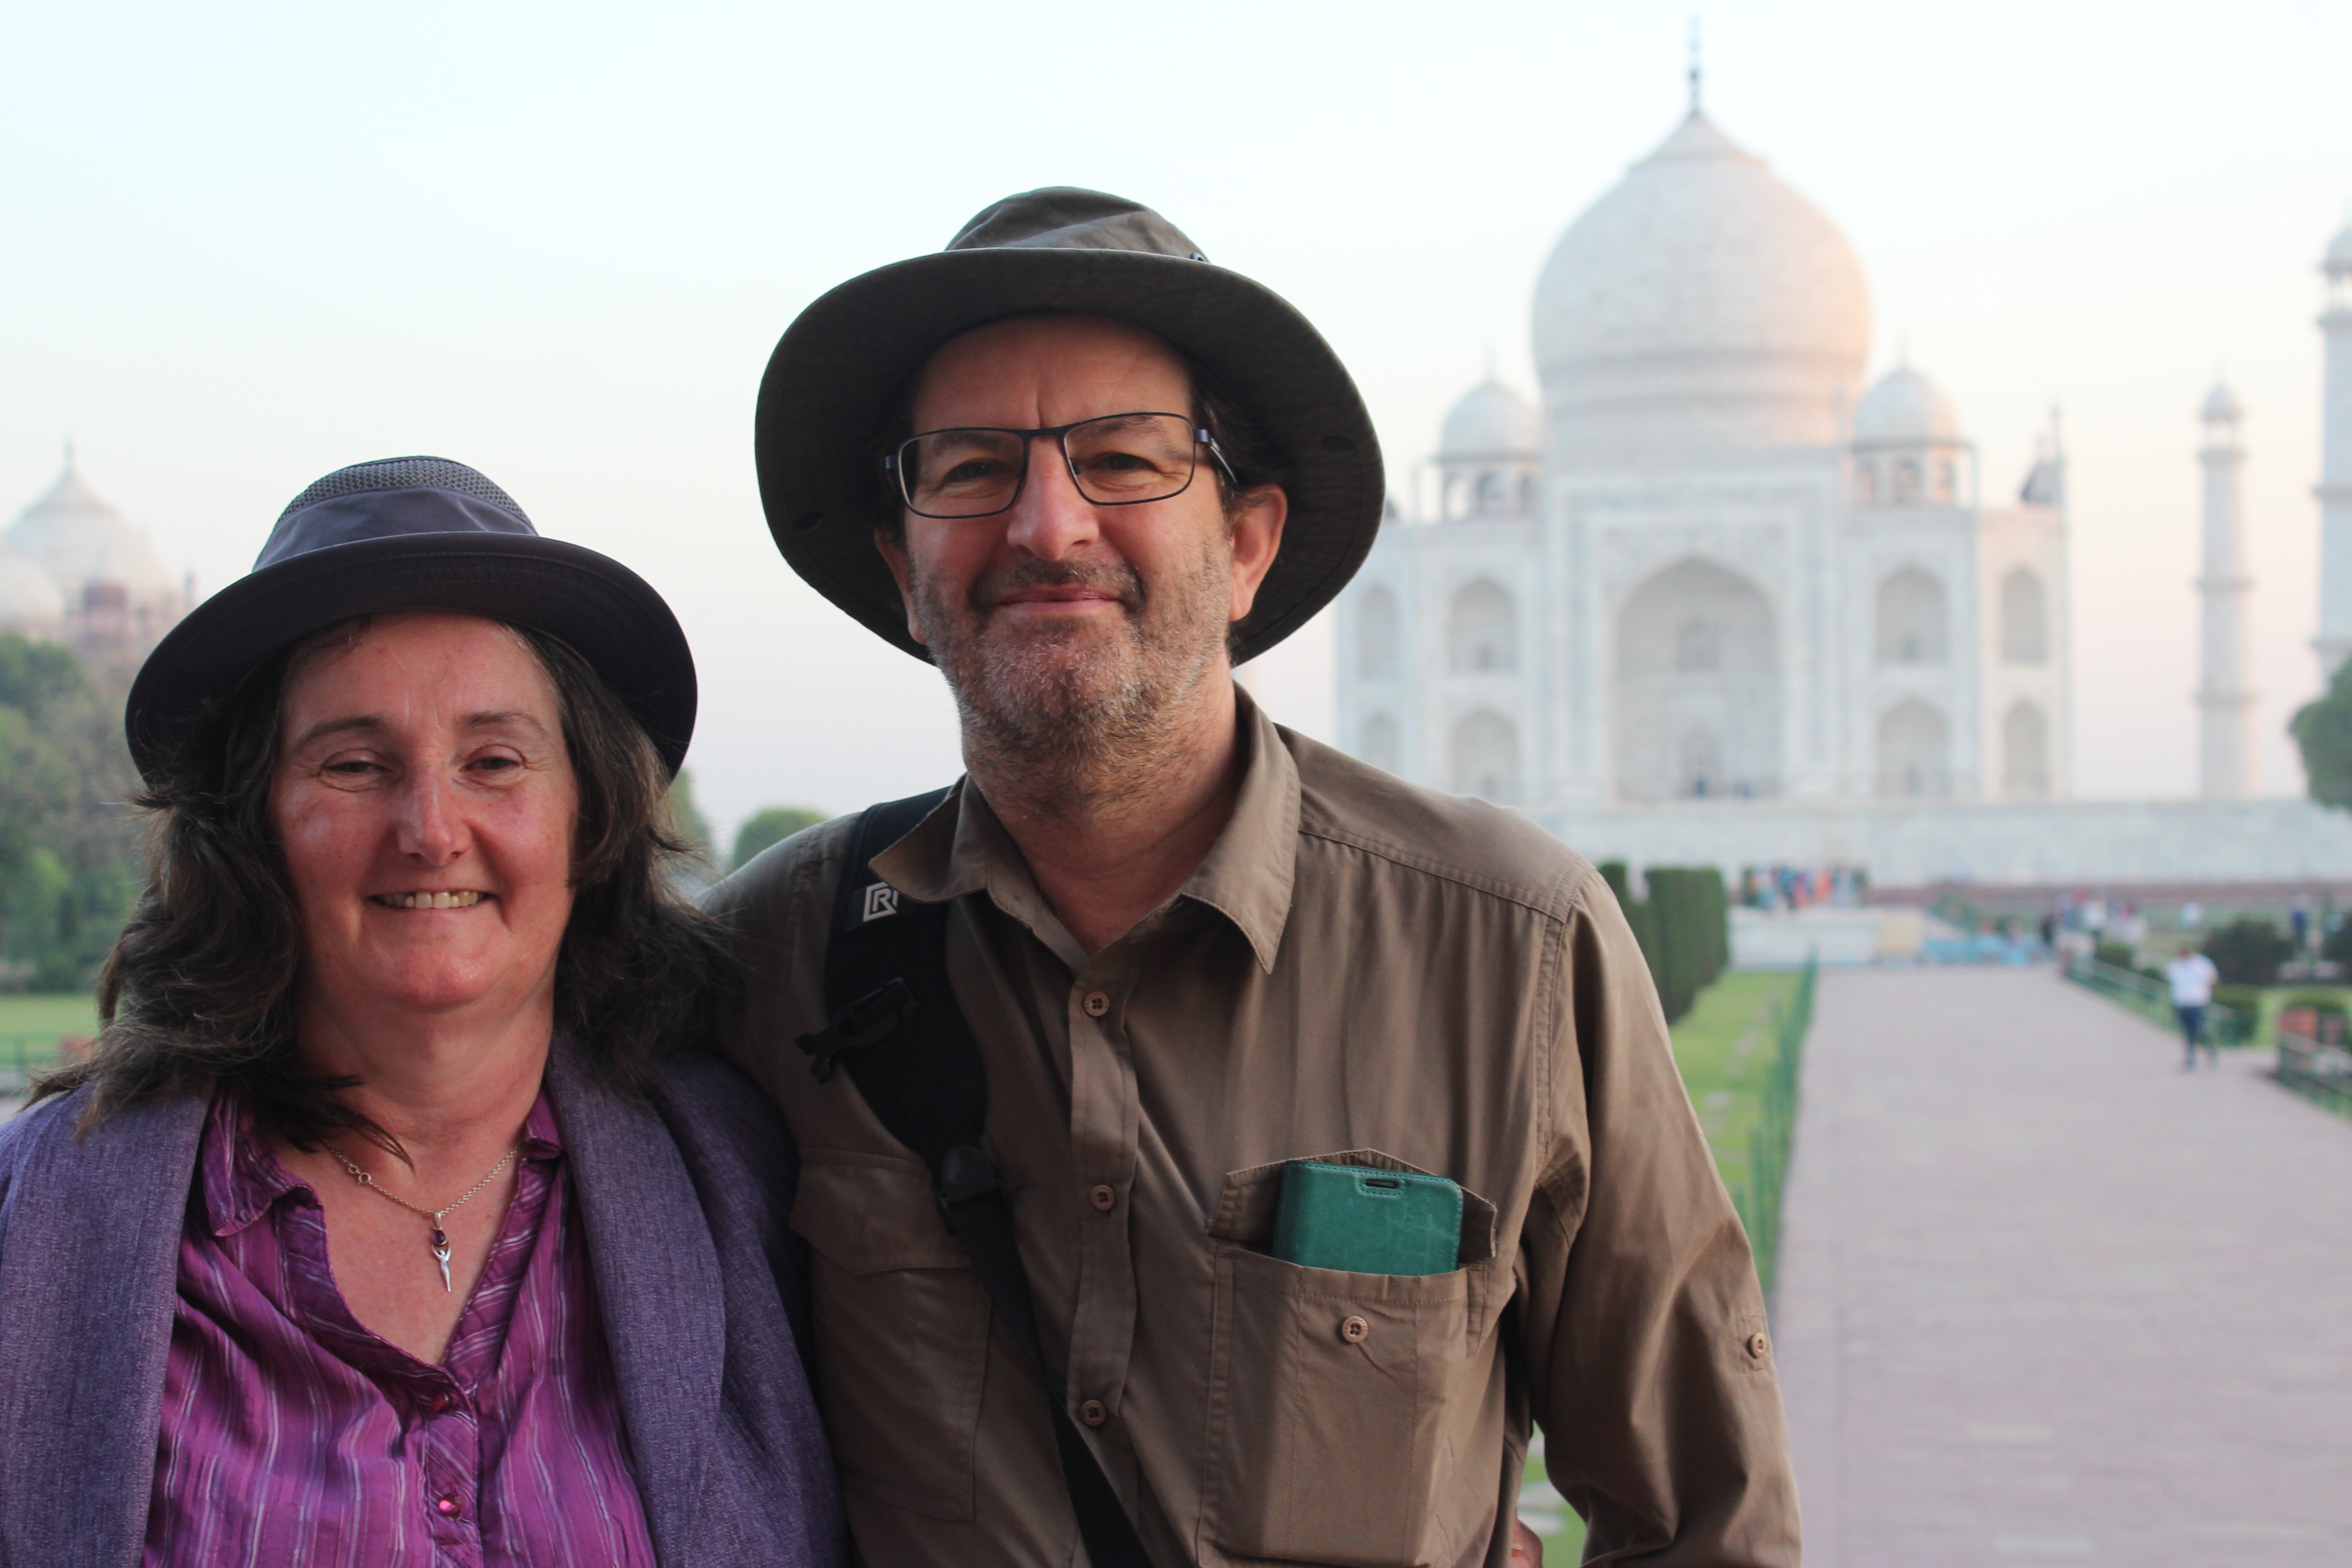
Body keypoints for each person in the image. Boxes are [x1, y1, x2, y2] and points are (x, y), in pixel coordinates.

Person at [712, 190, 1796, 1567]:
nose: (1048, 525)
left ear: (1246, 543)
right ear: (901, 563)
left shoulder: (1507, 950)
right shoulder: (775, 960)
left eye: (1123, 459)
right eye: (972, 468)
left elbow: (1709, 1519)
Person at [0, 459, 843, 1567]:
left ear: (587, 818)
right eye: (354, 763)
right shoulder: (49, 1224)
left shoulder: (740, 1182)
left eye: (494, 760)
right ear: (251, 829)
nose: (431, 827)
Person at [2167, 942, 2221, 1069]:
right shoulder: (2175, 965)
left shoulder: (2202, 964)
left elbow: (2212, 980)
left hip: (2197, 1002)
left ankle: (2209, 1051)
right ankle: (2191, 1056)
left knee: (2198, 1029)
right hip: (2181, 1003)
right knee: (2187, 1031)